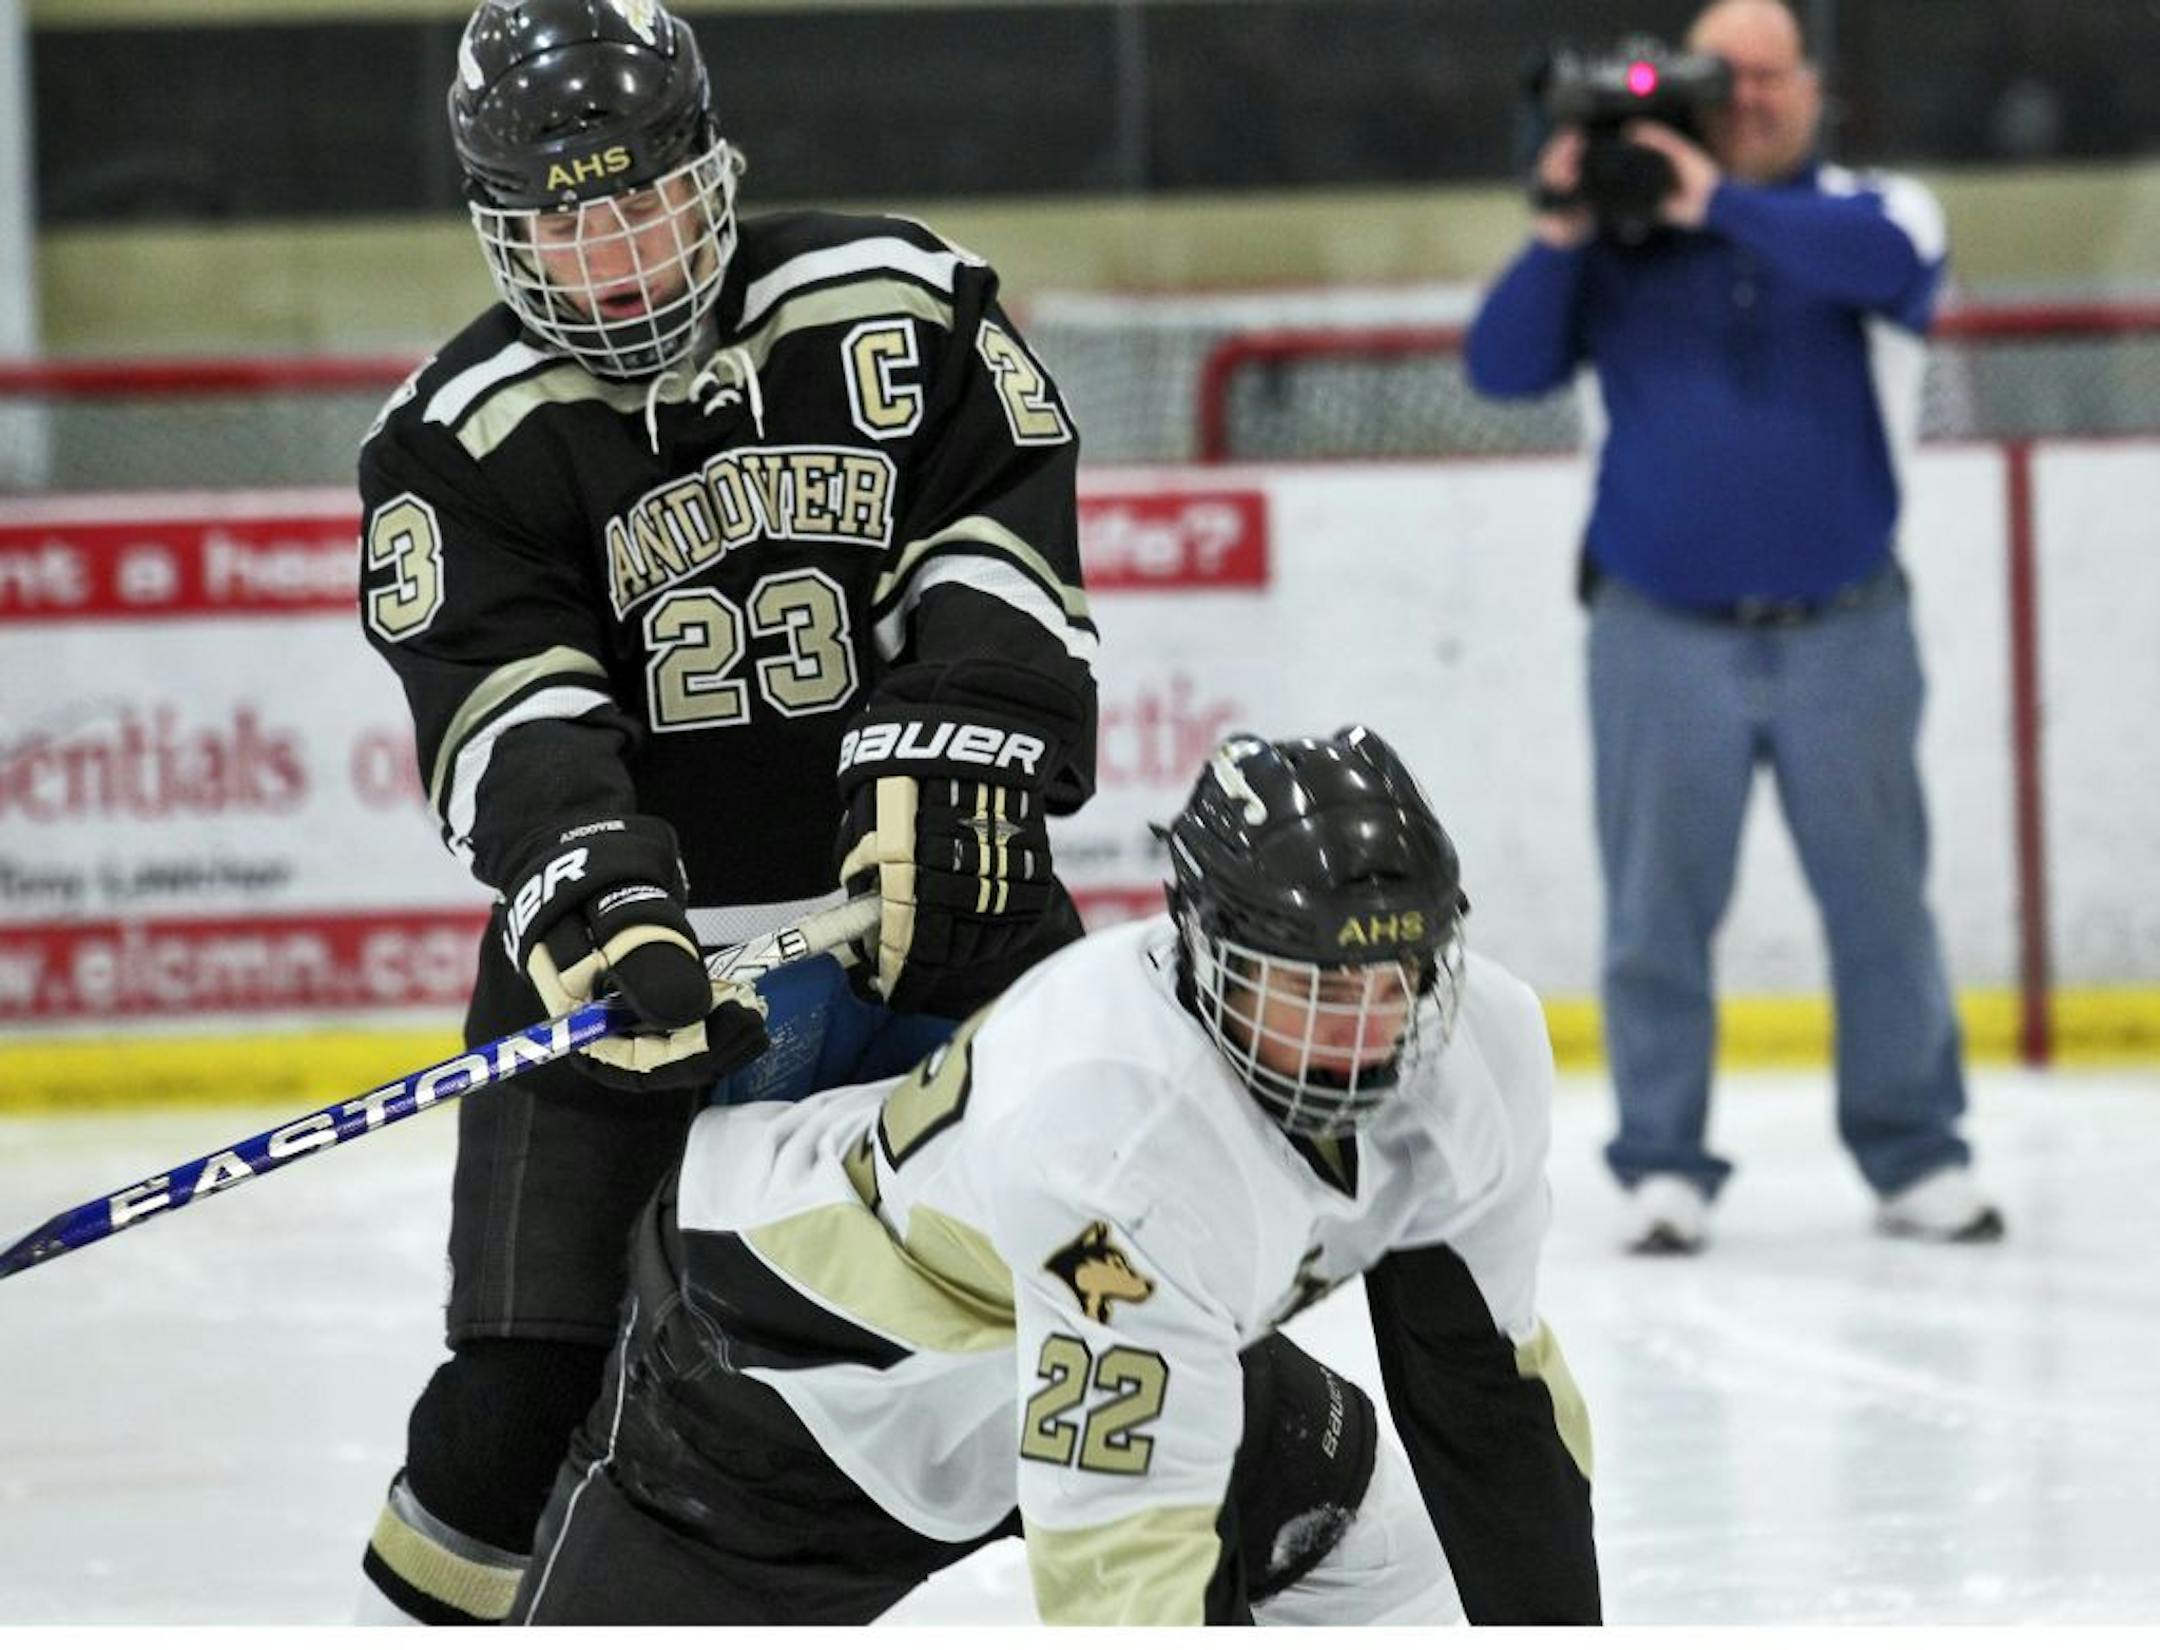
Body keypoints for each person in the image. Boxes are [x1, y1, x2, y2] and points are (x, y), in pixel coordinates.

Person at [352, 0, 1104, 1621]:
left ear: (712, 167)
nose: (617, 259)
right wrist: (594, 901)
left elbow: (1000, 553)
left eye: (644, 201)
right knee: (509, 1413)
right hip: (644, 974)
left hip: (940, 914)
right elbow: (509, 708)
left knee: (1126, 1305)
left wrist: (954, 759)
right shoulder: (458, 436)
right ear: (502, 229)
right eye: (567, 221)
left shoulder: (900, 304)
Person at [506, 726, 1602, 1626]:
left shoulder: (1479, 1049)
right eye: (1313, 985)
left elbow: (1486, 1396)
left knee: (1379, 1542)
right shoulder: (1116, 1133)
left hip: (1088, 1324)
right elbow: (1131, 1564)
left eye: (1398, 974)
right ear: (1206, 951)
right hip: (787, 1390)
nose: (1369, 1033)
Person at [1467, 0, 2003, 1255]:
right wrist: (1561, 224)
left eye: (1773, 78)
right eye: (1728, 80)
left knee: (1882, 903)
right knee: (1657, 909)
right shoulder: (1618, 240)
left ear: (1815, 91)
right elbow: (1501, 366)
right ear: (1694, 96)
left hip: (1849, 628)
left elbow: (1898, 275)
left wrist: (1715, 202)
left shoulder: (1875, 208)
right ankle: (1663, 1162)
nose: (1752, 99)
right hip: (1658, 631)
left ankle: (1915, 1151)